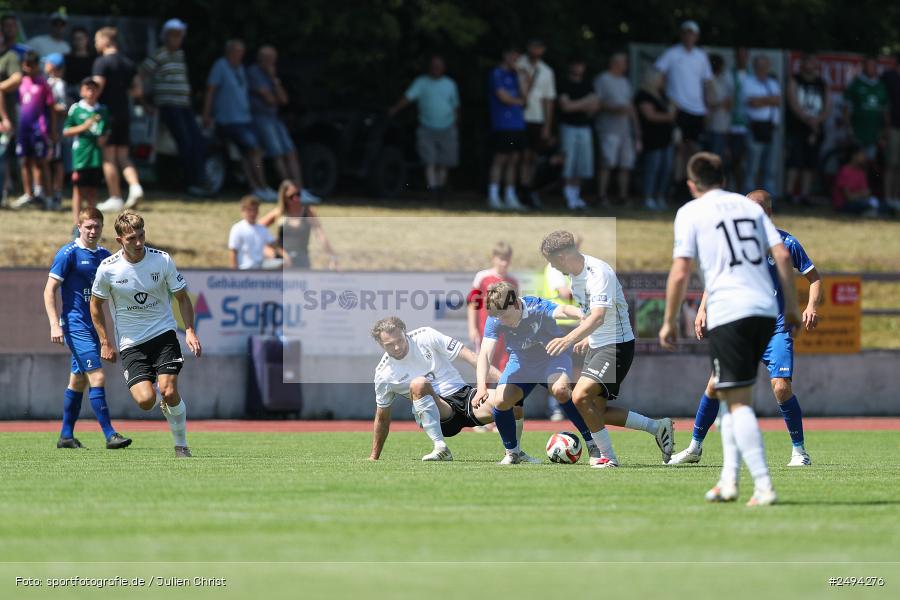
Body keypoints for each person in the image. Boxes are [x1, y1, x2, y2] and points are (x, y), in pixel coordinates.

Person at [660, 152, 802, 506]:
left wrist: (668, 320)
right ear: (724, 177)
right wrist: (794, 307)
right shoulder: (751, 208)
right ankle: (727, 481)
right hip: (766, 312)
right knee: (727, 395)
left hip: (731, 312)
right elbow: (782, 256)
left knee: (737, 404)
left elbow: (680, 271)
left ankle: (764, 485)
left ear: (692, 184)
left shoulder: (691, 212)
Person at [670, 189, 822, 467]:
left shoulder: (786, 243)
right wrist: (703, 308)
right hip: (742, 326)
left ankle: (800, 452)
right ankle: (694, 448)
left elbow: (814, 277)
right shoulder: (735, 243)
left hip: (775, 327)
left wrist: (810, 306)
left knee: (781, 388)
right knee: (715, 385)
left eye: (758, 211)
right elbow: (716, 277)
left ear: (769, 213)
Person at [541, 231, 675, 467]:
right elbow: (589, 315)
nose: (551, 266)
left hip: (616, 345)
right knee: (596, 411)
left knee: (580, 396)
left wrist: (570, 338)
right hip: (598, 344)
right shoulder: (575, 275)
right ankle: (657, 427)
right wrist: (586, 337)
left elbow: (599, 316)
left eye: (551, 261)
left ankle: (607, 457)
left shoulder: (598, 273)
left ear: (561, 256)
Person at [90, 211, 202, 458]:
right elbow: (95, 305)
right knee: (145, 401)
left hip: (163, 335)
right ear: (119, 240)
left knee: (169, 391)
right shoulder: (108, 270)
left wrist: (190, 331)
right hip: (131, 344)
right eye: (131, 238)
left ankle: (181, 445)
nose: (139, 243)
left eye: (141, 236)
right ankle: (161, 397)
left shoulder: (161, 260)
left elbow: (182, 297)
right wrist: (105, 342)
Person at [473, 283, 598, 464]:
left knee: (561, 390)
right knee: (500, 400)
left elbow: (562, 310)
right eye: (498, 317)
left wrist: (581, 314)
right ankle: (513, 453)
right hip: (522, 364)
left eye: (505, 316)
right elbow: (484, 354)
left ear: (516, 304)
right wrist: (481, 387)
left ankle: (593, 443)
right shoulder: (496, 318)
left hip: (553, 357)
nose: (502, 321)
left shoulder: (536, 306)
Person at [43, 207, 132, 450]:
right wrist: (54, 324)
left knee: (78, 382)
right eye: (88, 227)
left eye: (97, 226)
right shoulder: (68, 254)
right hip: (75, 326)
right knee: (98, 376)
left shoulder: (104, 255)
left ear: (102, 228)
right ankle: (110, 434)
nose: (93, 231)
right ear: (79, 227)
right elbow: (49, 290)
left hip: (95, 327)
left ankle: (66, 436)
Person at [368, 317, 503, 462]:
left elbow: (470, 357)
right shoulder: (383, 374)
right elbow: (382, 417)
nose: (397, 347)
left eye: (399, 340)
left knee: (506, 400)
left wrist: (504, 382)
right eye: (389, 345)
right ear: (380, 344)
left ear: (404, 332)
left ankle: (514, 452)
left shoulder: (426, 335)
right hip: (441, 416)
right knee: (418, 383)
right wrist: (374, 457)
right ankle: (440, 448)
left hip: (466, 397)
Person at [140, 18, 208, 197]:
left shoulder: (180, 55)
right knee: (184, 142)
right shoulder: (158, 55)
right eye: (173, 36)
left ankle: (200, 181)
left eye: (179, 36)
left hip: (184, 105)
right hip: (169, 105)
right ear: (166, 37)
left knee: (198, 141)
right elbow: (140, 76)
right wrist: (144, 102)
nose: (176, 39)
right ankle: (191, 183)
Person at [203, 39, 276, 202]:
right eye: (237, 51)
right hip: (229, 120)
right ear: (229, 52)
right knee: (254, 150)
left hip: (244, 118)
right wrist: (207, 114)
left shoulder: (241, 68)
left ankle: (256, 188)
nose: (240, 55)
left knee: (247, 154)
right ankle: (262, 187)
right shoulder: (220, 66)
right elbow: (211, 90)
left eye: (242, 52)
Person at [654, 20, 712, 196]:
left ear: (696, 36)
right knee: (678, 149)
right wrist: (668, 100)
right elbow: (658, 77)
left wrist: (706, 107)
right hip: (678, 111)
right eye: (686, 32)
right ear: (682, 34)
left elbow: (706, 83)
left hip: (697, 111)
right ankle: (674, 186)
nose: (689, 36)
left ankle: (690, 188)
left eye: (692, 33)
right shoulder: (672, 54)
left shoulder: (701, 56)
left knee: (694, 151)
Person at [248, 45, 313, 200]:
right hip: (261, 118)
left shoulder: (272, 76)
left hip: (274, 118)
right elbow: (270, 100)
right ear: (261, 59)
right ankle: (290, 193)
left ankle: (300, 190)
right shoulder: (254, 73)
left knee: (290, 152)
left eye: (273, 59)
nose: (272, 62)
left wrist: (273, 80)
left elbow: (283, 100)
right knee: (277, 154)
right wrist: (273, 93)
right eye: (269, 59)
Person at [388, 54, 460, 195]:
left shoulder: (450, 84)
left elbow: (456, 106)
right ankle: (432, 189)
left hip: (448, 127)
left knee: (445, 161)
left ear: (444, 68)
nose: (436, 68)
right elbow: (408, 97)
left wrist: (457, 123)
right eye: (434, 65)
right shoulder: (421, 82)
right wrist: (394, 109)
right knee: (429, 160)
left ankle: (440, 189)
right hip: (427, 127)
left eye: (439, 66)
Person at [92, 27, 144, 211]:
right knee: (123, 156)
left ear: (106, 42)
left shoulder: (101, 63)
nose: (95, 44)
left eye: (97, 40)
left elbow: (96, 87)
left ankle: (115, 197)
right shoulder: (129, 63)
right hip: (124, 113)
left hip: (107, 115)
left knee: (108, 158)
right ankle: (135, 186)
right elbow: (138, 90)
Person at [258, 179, 337, 270]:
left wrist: (332, 256)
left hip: (301, 257)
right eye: (291, 196)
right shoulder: (279, 213)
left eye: (298, 195)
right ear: (284, 197)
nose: (296, 199)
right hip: (281, 259)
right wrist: (268, 249)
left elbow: (320, 235)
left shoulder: (307, 212)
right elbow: (255, 228)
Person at [594, 53, 640, 206]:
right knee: (607, 163)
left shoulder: (625, 82)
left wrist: (637, 131)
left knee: (626, 164)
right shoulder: (603, 79)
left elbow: (631, 107)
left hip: (625, 130)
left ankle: (622, 196)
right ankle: (602, 196)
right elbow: (596, 103)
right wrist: (614, 109)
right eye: (622, 62)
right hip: (608, 129)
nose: (625, 65)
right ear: (614, 63)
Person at [785, 54, 831, 204]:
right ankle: (789, 193)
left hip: (815, 129)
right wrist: (808, 120)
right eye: (808, 62)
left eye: (813, 62)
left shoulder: (822, 83)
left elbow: (827, 106)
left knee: (810, 164)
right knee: (795, 161)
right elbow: (793, 102)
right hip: (797, 127)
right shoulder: (795, 80)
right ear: (802, 64)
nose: (811, 65)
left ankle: (805, 195)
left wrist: (817, 121)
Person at [11, 51, 54, 209]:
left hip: (39, 129)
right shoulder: (20, 83)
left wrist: (52, 131)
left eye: (32, 65)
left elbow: (51, 108)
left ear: (37, 66)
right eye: (26, 65)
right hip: (23, 129)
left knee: (41, 163)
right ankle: (28, 194)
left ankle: (48, 197)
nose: (28, 68)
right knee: (25, 161)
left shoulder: (43, 84)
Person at [64, 77, 108, 231]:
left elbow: (105, 131)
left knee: (93, 191)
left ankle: (91, 224)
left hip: (95, 156)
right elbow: (67, 130)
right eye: (87, 88)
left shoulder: (102, 110)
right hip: (81, 156)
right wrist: (84, 126)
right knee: (78, 191)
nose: (91, 92)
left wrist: (103, 139)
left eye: (94, 89)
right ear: (82, 91)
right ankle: (77, 225)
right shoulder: (76, 109)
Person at [516, 39, 556, 208]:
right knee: (520, 155)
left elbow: (548, 100)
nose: (536, 50)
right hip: (519, 116)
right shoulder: (518, 64)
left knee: (533, 156)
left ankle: (528, 189)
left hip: (537, 118)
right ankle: (517, 189)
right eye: (533, 46)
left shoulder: (547, 71)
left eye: (539, 47)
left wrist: (547, 125)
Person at [467, 241, 518, 371]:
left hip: (506, 333)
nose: (504, 263)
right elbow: (473, 303)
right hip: (486, 330)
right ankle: (483, 390)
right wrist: (472, 328)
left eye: (507, 260)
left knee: (505, 367)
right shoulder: (482, 277)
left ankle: (502, 391)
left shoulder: (513, 281)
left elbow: (516, 308)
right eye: (501, 259)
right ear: (493, 258)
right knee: (485, 365)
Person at [487, 47, 527, 210]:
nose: (515, 60)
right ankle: (493, 195)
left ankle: (510, 196)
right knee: (500, 159)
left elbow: (525, 95)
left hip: (518, 124)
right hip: (502, 124)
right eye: (513, 56)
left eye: (517, 58)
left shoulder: (515, 75)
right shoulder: (496, 74)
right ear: (505, 55)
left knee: (514, 160)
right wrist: (519, 101)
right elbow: (503, 97)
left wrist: (521, 74)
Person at [557, 56, 596, 210]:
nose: (578, 68)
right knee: (569, 162)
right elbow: (566, 107)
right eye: (576, 64)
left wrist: (577, 104)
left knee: (582, 163)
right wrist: (585, 102)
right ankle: (568, 196)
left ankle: (576, 195)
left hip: (584, 127)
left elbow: (594, 107)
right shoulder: (564, 84)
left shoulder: (588, 85)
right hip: (568, 127)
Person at [634, 68, 675, 210]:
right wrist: (669, 117)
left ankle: (660, 197)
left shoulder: (662, 95)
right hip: (653, 139)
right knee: (652, 169)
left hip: (666, 139)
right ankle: (648, 197)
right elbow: (650, 115)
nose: (663, 81)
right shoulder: (644, 95)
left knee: (666, 169)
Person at [742, 55, 781, 195]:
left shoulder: (773, 83)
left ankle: (770, 201)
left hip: (771, 128)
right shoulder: (748, 82)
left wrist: (762, 100)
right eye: (760, 66)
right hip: (756, 127)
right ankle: (748, 199)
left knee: (771, 168)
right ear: (755, 67)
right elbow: (753, 103)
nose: (763, 69)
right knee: (752, 167)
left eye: (765, 66)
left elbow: (777, 100)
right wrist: (769, 100)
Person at [843, 57, 888, 161]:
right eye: (869, 65)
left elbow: (886, 111)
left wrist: (885, 131)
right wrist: (849, 128)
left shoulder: (881, 86)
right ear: (863, 66)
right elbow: (846, 108)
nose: (871, 68)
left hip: (874, 133)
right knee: (856, 162)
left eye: (874, 65)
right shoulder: (855, 84)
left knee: (869, 162)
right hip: (857, 132)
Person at [228, 195, 281, 270]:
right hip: (244, 268)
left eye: (255, 210)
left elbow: (274, 245)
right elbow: (233, 251)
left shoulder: (262, 229)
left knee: (282, 264)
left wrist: (286, 255)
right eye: (249, 210)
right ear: (243, 211)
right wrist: (234, 272)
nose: (253, 213)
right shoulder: (237, 228)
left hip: (260, 266)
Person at [0, 29, 21, 204]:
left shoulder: (10, 56)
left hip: (4, 114)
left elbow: (16, 78)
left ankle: (5, 189)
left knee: (3, 155)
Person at [44, 52, 67, 210]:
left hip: (56, 129)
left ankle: (57, 194)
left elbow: (63, 107)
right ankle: (48, 193)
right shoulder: (47, 82)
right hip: (45, 128)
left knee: (57, 161)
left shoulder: (59, 84)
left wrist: (49, 106)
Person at [832, 146, 881, 216]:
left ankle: (872, 211)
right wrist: (861, 194)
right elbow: (849, 197)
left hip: (859, 201)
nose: (864, 158)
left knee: (877, 202)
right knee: (869, 204)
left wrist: (859, 195)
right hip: (843, 205)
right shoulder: (845, 171)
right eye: (862, 155)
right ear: (854, 156)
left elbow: (867, 192)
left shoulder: (861, 172)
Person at [727, 47, 751, 191]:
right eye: (739, 56)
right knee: (732, 159)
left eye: (744, 56)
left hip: (748, 125)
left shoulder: (752, 75)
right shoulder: (729, 74)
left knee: (745, 161)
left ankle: (743, 190)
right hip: (731, 124)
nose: (742, 59)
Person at [882, 53, 900, 210]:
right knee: (891, 164)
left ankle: (896, 198)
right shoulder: (889, 77)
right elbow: (884, 104)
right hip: (894, 127)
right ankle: (888, 198)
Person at [705, 54, 732, 160]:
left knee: (721, 158)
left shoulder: (724, 79)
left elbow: (729, 102)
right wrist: (721, 104)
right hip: (712, 126)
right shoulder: (708, 81)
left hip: (723, 125)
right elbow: (708, 103)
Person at [63, 27, 93, 103]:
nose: (78, 42)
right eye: (75, 39)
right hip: (71, 96)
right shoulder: (67, 58)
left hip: (90, 94)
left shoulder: (94, 59)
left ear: (86, 39)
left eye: (80, 39)